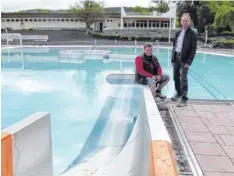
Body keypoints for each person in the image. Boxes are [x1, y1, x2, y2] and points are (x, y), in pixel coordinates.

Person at [171, 12, 197, 107]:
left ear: (189, 21)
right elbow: (174, 46)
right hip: (176, 57)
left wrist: (189, 62)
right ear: (181, 21)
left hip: (185, 59)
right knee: (175, 77)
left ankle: (184, 99)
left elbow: (194, 49)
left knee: (184, 79)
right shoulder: (178, 32)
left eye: (187, 20)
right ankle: (179, 93)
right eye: (183, 21)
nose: (185, 22)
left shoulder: (193, 33)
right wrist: (172, 59)